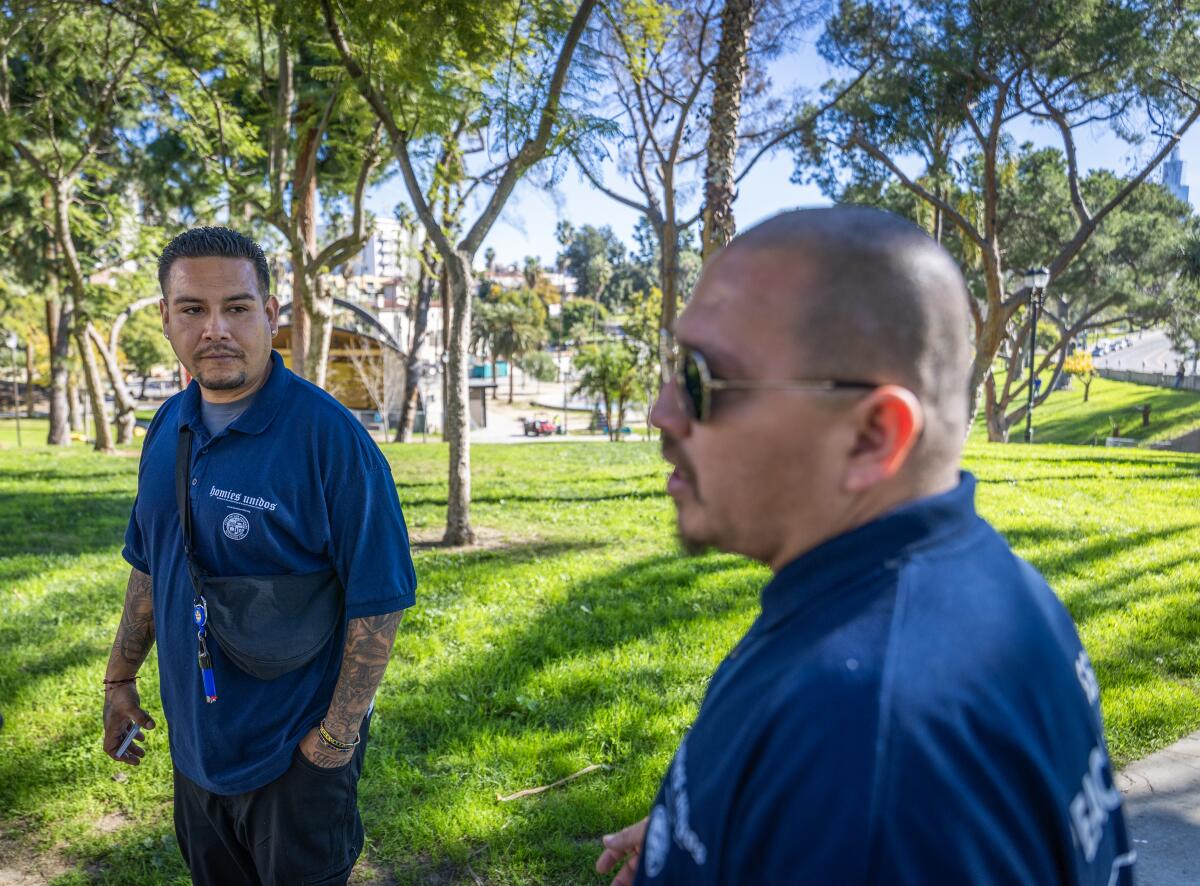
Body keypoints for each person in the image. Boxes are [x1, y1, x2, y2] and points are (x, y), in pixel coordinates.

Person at [596, 207, 1132, 885]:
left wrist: (830, 820)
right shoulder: (987, 582)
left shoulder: (866, 749)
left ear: (872, 436)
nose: (662, 412)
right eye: (675, 364)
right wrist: (717, 827)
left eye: (702, 378)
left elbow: (878, 805)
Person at [102, 227, 416, 886]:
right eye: (192, 309)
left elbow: (379, 600)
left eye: (238, 307)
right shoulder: (167, 426)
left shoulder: (329, 439)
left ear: (271, 314)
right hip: (194, 755)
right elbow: (151, 560)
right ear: (166, 318)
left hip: (292, 761)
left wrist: (333, 739)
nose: (215, 328)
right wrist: (120, 678)